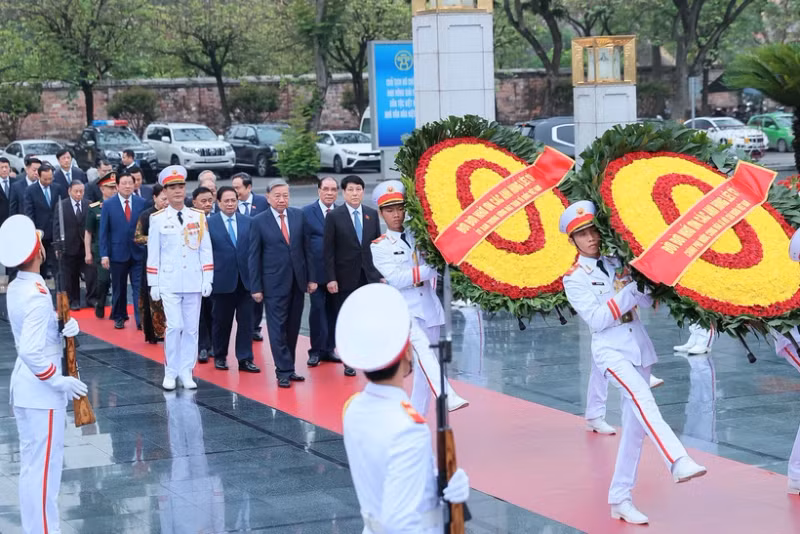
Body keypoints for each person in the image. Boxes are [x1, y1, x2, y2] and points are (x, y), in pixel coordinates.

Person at [559, 200, 707, 524]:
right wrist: (629, 290)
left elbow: (642, 299)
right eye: (582, 234)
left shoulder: (616, 261)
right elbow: (597, 319)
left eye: (592, 230)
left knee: (635, 431)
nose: (590, 238)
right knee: (643, 399)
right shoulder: (573, 278)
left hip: (638, 347)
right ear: (572, 241)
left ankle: (620, 498)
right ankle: (677, 459)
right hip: (611, 351)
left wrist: (648, 283)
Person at [338, 283, 471, 533]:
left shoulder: (354, 408)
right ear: (408, 353)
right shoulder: (408, 428)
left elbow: (387, 475)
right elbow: (401, 521)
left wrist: (436, 484)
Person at [0, 215, 87, 534]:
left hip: (25, 389)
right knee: (44, 474)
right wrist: (58, 380)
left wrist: (60, 327)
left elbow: (30, 336)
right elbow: (31, 351)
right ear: (38, 253)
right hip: (40, 392)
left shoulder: (20, 286)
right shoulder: (36, 296)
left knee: (33, 470)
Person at [370, 180, 468, 414]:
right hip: (406, 309)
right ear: (382, 213)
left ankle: (416, 418)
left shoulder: (420, 234)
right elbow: (397, 278)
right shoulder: (380, 246)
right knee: (424, 352)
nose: (396, 214)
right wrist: (432, 268)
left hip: (429, 307)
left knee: (427, 367)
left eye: (400, 208)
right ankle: (446, 394)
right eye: (390, 210)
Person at [147, 165, 213, 391]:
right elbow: (153, 253)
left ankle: (186, 370)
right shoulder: (157, 219)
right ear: (164, 191)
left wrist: (208, 277)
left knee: (191, 328)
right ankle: (170, 371)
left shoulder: (197, 216)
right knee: (174, 326)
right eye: (172, 187)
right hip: (169, 280)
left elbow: (205, 249)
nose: (177, 191)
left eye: (180, 186)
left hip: (193, 279)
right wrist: (153, 282)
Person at [249, 179, 315, 388]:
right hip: (273, 284)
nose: (281, 199)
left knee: (293, 326)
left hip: (297, 281)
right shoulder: (258, 221)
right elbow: (253, 256)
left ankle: (291, 367)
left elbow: (307, 250)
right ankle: (283, 370)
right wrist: (256, 287)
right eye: (277, 196)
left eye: (285, 195)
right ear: (268, 198)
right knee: (277, 328)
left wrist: (311, 278)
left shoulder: (298, 216)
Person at [324, 175, 382, 376]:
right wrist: (331, 278)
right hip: (344, 276)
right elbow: (328, 251)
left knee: (368, 318)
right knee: (347, 318)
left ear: (363, 192)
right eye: (350, 190)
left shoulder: (371, 215)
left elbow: (377, 247)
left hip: (368, 275)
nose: (355, 194)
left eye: (358, 190)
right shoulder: (334, 216)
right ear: (344, 192)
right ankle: (349, 359)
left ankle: (369, 356)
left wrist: (379, 274)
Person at [208, 186, 258, 372]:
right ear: (218, 202)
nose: (230, 204)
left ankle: (245, 358)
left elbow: (254, 251)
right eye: (226, 201)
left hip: (245, 281)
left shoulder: (249, 222)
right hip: (222, 281)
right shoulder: (209, 223)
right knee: (221, 322)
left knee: (246, 322)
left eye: (233, 200)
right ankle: (220, 356)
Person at [99, 171, 145, 330]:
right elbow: (103, 231)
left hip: (138, 252)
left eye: (130, 183)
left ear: (135, 185)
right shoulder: (108, 205)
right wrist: (104, 254)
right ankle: (119, 316)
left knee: (139, 287)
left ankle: (141, 319)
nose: (127, 186)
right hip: (117, 253)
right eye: (124, 183)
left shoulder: (141, 203)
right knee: (119, 288)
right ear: (117, 186)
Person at [301, 176, 338, 367]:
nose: (329, 193)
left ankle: (329, 349)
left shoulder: (341, 212)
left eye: (333, 190)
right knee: (317, 313)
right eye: (326, 189)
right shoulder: (307, 212)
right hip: (315, 274)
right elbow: (303, 246)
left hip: (336, 275)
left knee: (334, 313)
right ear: (319, 191)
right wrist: (309, 276)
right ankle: (315, 351)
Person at [232, 172, 268, 341]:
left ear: (249, 187)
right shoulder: (231, 203)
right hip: (240, 254)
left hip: (259, 254)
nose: (235, 191)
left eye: (237, 188)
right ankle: (243, 325)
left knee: (257, 292)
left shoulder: (263, 202)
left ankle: (255, 326)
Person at [134, 184, 168, 344]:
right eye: (163, 199)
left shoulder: (172, 214)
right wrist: (154, 240)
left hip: (169, 261)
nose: (166, 202)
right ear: (154, 198)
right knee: (152, 297)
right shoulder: (147, 216)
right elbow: (137, 237)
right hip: (152, 261)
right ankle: (156, 331)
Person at [24, 163, 66, 278]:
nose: (48, 181)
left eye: (50, 178)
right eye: (45, 179)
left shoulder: (57, 188)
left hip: (55, 232)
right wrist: (33, 232)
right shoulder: (30, 190)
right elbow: (29, 212)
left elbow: (62, 208)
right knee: (40, 266)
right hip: (40, 233)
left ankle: (59, 291)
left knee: (58, 266)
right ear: (38, 176)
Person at [85, 171, 117, 319]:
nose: (113, 190)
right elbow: (88, 233)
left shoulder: (119, 206)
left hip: (117, 249)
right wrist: (88, 252)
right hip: (100, 250)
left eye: (114, 187)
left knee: (118, 281)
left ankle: (116, 310)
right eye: (109, 187)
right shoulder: (95, 208)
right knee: (103, 280)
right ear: (102, 189)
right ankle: (101, 302)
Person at [53, 180, 89, 310]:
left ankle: (92, 298)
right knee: (70, 276)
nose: (79, 194)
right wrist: (57, 246)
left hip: (85, 246)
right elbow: (56, 226)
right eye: (76, 191)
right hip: (68, 245)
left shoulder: (88, 204)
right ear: (69, 191)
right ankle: (73, 300)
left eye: (81, 191)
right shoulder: (61, 205)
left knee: (90, 274)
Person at [192, 186, 215, 363]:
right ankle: (203, 347)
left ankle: (216, 344)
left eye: (210, 200)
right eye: (203, 201)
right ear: (194, 203)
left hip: (216, 274)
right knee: (200, 313)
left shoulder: (217, 219)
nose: (207, 204)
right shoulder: (189, 222)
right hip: (195, 274)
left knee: (215, 312)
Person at [0, 156, 14, 228]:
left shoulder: (16, 183)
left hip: (14, 221)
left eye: (6, 167)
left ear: (10, 169)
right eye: (1, 167)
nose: (4, 169)